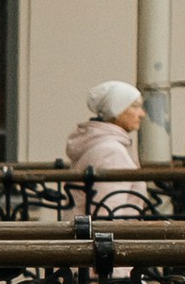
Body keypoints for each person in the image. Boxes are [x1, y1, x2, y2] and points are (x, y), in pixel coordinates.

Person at [64, 80, 155, 218]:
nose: (142, 114)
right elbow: (108, 211)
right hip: (114, 236)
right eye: (135, 107)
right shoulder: (111, 151)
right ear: (117, 111)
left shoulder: (101, 143)